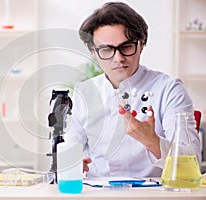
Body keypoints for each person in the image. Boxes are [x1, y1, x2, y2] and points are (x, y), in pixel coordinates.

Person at [67, 2, 201, 178]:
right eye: (106, 49)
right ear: (93, 52)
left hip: (153, 194)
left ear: (141, 45)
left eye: (126, 47)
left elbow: (193, 163)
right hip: (98, 193)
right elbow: (69, 149)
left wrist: (151, 140)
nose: (118, 58)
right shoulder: (84, 93)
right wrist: (71, 164)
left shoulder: (169, 90)